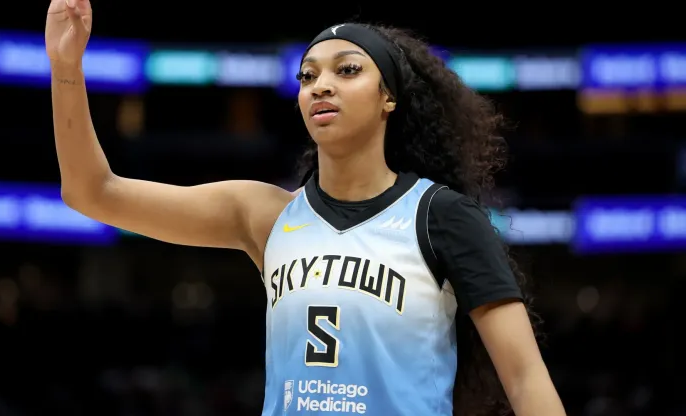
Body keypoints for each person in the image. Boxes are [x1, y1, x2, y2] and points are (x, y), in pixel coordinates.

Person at [46, 1, 566, 415]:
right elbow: (92, 193)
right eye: (307, 75)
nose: (321, 85)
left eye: (347, 70)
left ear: (389, 97)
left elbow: (522, 379)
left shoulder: (441, 216)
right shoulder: (265, 215)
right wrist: (66, 68)